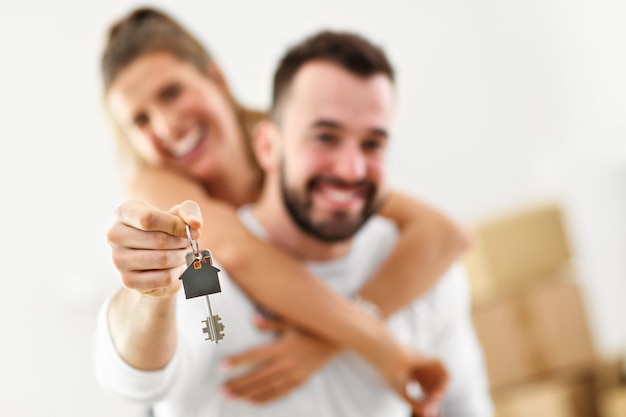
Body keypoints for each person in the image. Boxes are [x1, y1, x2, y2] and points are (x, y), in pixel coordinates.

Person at [95, 29, 492, 417]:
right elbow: (238, 253)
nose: (165, 125)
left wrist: (326, 341)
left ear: (215, 78)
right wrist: (381, 348)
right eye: (140, 120)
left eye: (172, 92)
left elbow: (444, 235)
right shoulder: (159, 185)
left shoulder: (307, 155)